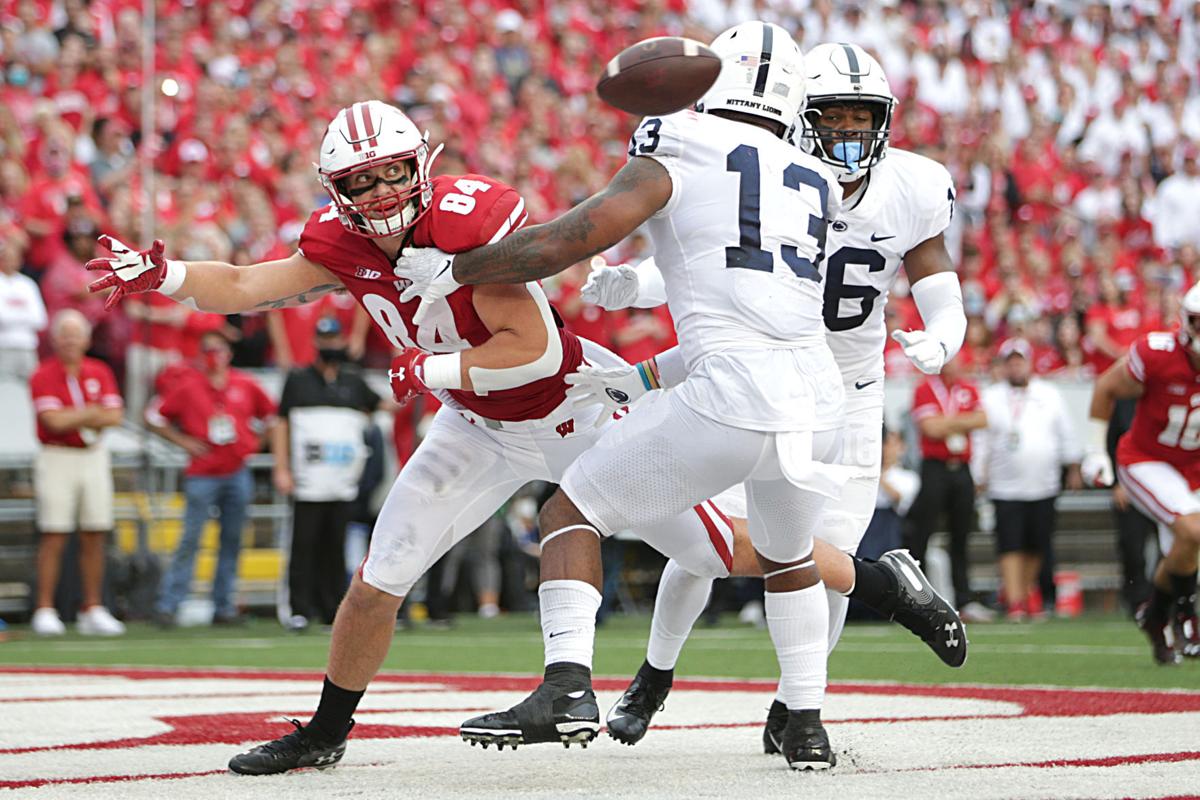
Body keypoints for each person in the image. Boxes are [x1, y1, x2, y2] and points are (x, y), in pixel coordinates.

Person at [86, 99, 746, 775]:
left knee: (726, 552)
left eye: (391, 173)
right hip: (475, 423)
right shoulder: (340, 244)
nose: (379, 194)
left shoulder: (468, 225)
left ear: (422, 165)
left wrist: (427, 365)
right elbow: (248, 283)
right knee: (378, 578)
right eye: (359, 183)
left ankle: (856, 580)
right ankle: (325, 730)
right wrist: (164, 276)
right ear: (334, 190)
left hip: (571, 408)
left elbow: (537, 351)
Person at [392, 23, 879, 770]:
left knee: (569, 510)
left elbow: (572, 238)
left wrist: (460, 270)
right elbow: (756, 302)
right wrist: (648, 372)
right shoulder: (814, 177)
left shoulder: (681, 141)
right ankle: (806, 724)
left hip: (730, 393)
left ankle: (566, 687)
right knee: (786, 558)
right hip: (814, 399)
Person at [573, 42, 968, 749]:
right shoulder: (775, 168)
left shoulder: (912, 185)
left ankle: (794, 709)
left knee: (824, 557)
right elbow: (717, 253)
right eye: (833, 114)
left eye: (861, 116)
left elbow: (936, 276)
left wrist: (946, 332)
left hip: (842, 390)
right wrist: (636, 283)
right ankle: (654, 676)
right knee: (704, 546)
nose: (847, 130)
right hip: (757, 366)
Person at [1083, 281, 1200, 664]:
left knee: (1183, 550)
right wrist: (1095, 450)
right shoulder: (1157, 352)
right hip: (1147, 459)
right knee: (1192, 533)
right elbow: (1105, 387)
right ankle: (1186, 614)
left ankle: (1154, 616)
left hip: (1193, 464)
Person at [145, 330, 277, 627]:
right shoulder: (189, 386)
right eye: (209, 350)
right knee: (190, 538)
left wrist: (255, 443)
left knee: (231, 539)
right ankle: (169, 604)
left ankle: (224, 604)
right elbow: (154, 416)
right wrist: (183, 442)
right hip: (203, 472)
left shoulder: (245, 384)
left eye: (219, 349)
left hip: (235, 470)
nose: (214, 355)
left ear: (229, 354)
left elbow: (271, 415)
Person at [273, 316, 381, 630]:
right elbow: (281, 423)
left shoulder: (352, 380)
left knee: (336, 546)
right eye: (325, 339)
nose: (330, 345)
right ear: (316, 343)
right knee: (304, 544)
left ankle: (332, 606)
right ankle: (299, 607)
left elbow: (383, 407)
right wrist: (282, 467)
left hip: (342, 479)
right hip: (309, 478)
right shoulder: (298, 380)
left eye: (335, 339)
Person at [28, 309, 125, 636]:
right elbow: (52, 421)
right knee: (54, 532)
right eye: (65, 334)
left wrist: (77, 416)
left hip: (92, 454)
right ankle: (44, 607)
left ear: (86, 339)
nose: (70, 341)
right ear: (55, 339)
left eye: (76, 334)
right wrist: (91, 414)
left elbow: (114, 416)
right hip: (58, 454)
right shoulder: (44, 373)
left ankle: (93, 606)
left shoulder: (99, 369)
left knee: (95, 531)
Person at [976, 338, 1083, 621]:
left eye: (1019, 360)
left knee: (1037, 543)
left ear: (1029, 362)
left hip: (1043, 483)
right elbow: (981, 438)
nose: (1015, 366)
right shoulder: (991, 396)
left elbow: (1066, 431)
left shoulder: (1049, 393)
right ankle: (1014, 600)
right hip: (1004, 484)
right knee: (1010, 544)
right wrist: (979, 472)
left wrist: (1073, 465)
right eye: (1010, 362)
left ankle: (1024, 594)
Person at [906, 355, 991, 621]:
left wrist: (948, 421)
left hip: (961, 468)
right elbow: (930, 428)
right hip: (935, 468)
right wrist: (961, 421)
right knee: (923, 533)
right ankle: (914, 598)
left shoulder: (969, 388)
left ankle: (963, 600)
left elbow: (982, 419)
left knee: (961, 535)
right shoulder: (924, 388)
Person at [0, 232, 47, 380]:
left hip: (28, 347)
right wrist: (23, 316)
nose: (10, 262)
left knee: (31, 387)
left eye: (14, 258)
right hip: (3, 346)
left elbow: (40, 320)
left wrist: (11, 316)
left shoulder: (28, 284)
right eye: (6, 258)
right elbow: (2, 318)